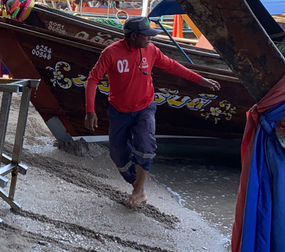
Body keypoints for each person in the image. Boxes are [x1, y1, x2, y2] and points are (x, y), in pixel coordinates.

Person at [84, 16, 221, 208]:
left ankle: (138, 191)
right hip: (119, 110)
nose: (150, 39)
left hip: (145, 107)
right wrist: (90, 111)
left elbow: (172, 66)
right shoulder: (111, 53)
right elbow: (93, 79)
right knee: (118, 155)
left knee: (145, 145)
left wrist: (200, 80)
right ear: (133, 36)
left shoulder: (151, 50)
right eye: (146, 35)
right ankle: (138, 188)